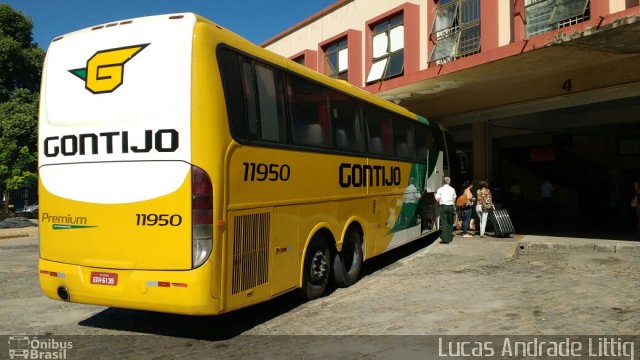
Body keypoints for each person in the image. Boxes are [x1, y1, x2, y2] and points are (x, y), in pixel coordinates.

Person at [435, 177, 456, 244]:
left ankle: (445, 239)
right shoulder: (452, 189)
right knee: (450, 222)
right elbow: (454, 199)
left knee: (444, 222)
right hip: (450, 207)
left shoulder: (440, 189)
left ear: (443, 182)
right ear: (449, 182)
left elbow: (437, 199)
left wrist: (435, 196)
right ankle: (449, 237)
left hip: (443, 207)